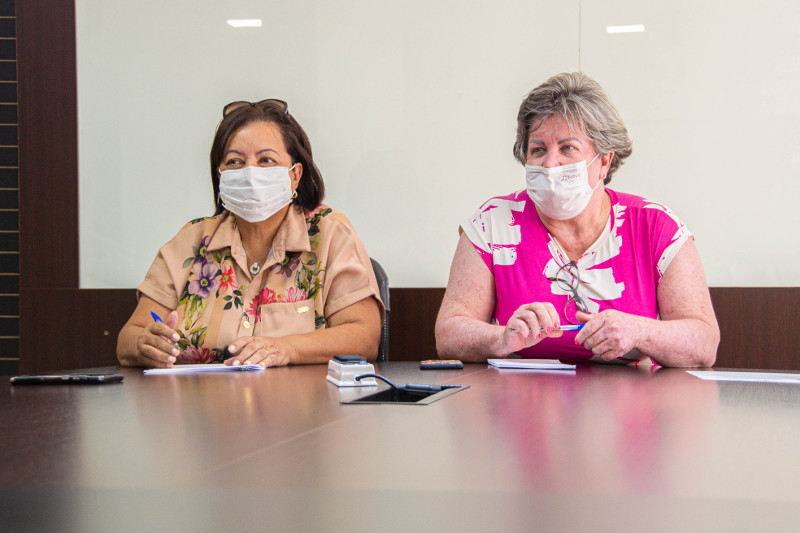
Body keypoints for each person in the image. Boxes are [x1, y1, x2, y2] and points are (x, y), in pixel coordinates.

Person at [435, 73, 719, 367]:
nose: (549, 164)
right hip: (521, 403)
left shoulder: (655, 226)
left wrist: (640, 332)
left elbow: (704, 343)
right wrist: (500, 339)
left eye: (567, 148)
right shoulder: (492, 224)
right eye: (538, 149)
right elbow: (448, 334)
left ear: (604, 161)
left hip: (630, 406)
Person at [118, 99, 383, 368]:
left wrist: (286, 348)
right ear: (221, 177)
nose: (250, 174)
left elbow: (365, 337)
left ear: (295, 175)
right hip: (199, 406)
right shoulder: (192, 240)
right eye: (235, 161)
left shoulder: (329, 234)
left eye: (266, 160)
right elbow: (128, 338)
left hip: (303, 407)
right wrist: (145, 344)